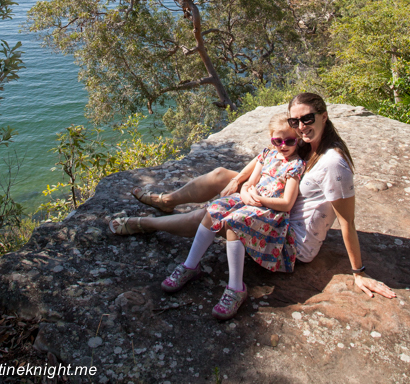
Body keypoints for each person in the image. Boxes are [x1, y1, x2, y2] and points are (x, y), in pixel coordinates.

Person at [110, 92, 396, 303]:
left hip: (290, 234)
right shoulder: (308, 144)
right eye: (296, 121)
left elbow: (347, 222)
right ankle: (168, 201)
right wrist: (241, 184)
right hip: (277, 205)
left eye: (307, 119)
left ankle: (146, 224)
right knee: (224, 174)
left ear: (324, 117)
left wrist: (359, 271)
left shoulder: (333, 163)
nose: (301, 126)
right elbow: (267, 158)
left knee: (213, 215)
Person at [159, 112, 306, 319]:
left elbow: (287, 203)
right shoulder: (268, 155)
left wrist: (259, 200)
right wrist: (245, 192)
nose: (283, 145)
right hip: (251, 201)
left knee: (235, 222)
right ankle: (190, 265)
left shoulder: (295, 166)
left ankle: (236, 288)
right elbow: (250, 182)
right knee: (214, 209)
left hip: (270, 212)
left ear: (297, 140)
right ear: (271, 139)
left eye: (289, 140)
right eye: (277, 140)